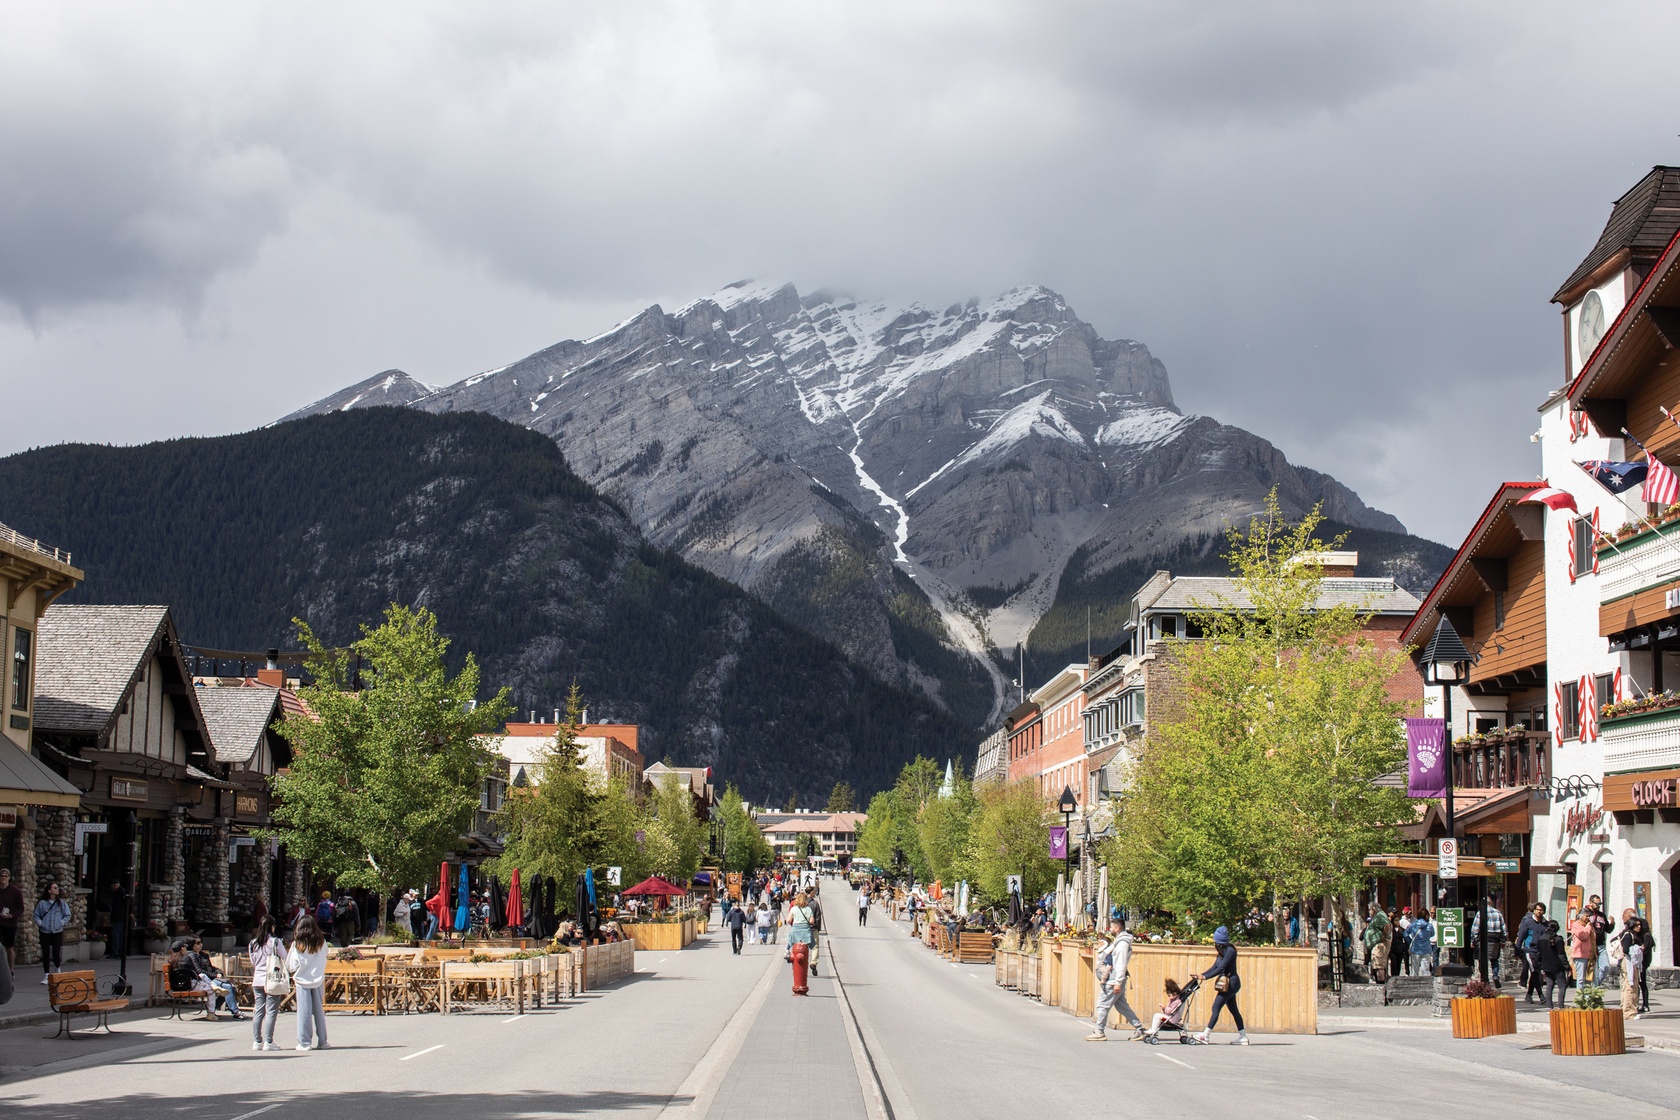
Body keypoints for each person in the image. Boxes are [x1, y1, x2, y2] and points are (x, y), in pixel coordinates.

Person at [1085, 919, 1145, 1042]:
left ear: (1117, 928)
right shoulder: (1118, 942)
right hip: (1115, 979)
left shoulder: (1122, 944)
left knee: (1102, 1004)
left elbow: (1121, 963)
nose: (1110, 929)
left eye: (1111, 927)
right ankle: (1140, 1029)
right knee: (1121, 1005)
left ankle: (1099, 1031)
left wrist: (1118, 982)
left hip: (1114, 980)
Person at [1191, 926, 1247, 1045]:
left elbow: (1221, 968)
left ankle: (1205, 1035)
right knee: (1234, 1010)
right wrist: (1201, 975)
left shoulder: (1230, 951)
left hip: (1231, 982)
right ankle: (1243, 1037)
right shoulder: (1222, 952)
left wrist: (1206, 977)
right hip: (1228, 983)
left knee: (1216, 1007)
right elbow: (1215, 967)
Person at [286, 914, 330, 1051]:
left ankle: (305, 1042)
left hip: (302, 980)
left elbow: (291, 965)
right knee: (319, 1012)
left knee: (304, 1013)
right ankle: (323, 1041)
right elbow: (324, 959)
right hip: (317, 979)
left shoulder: (297, 945)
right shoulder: (322, 943)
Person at [248, 915, 282, 1050]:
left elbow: (253, 961)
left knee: (258, 1010)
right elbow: (284, 956)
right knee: (271, 1011)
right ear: (272, 927)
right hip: (271, 979)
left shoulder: (253, 943)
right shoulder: (275, 942)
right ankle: (268, 1041)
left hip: (257, 979)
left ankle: (257, 1041)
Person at [188, 936, 242, 1018]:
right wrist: (215, 975)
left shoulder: (203, 955)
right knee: (228, 987)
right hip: (203, 980)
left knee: (232, 988)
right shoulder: (191, 955)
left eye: (201, 943)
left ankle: (214, 1007)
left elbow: (211, 967)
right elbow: (199, 971)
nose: (200, 945)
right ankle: (236, 1012)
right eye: (198, 943)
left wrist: (218, 971)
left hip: (211, 978)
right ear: (192, 944)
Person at [33, 880, 71, 984]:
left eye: (57, 888)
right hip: (45, 931)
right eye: (54, 888)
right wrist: (41, 923)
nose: (57, 889)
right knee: (45, 952)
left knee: (56, 952)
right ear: (49, 891)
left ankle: (58, 969)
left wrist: (61, 922)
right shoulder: (42, 903)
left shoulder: (61, 903)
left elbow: (67, 915)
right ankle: (46, 975)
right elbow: (36, 915)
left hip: (57, 930)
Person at [167, 941, 218, 1020]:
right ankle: (211, 1013)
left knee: (203, 976)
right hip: (189, 985)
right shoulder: (187, 958)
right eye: (185, 947)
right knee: (211, 990)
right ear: (182, 948)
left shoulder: (172, 960)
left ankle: (214, 985)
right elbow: (195, 972)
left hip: (178, 985)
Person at [1516, 903, 1547, 1003]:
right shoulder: (1527, 922)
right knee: (1534, 971)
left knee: (1536, 972)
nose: (1539, 912)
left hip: (1540, 951)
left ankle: (1529, 995)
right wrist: (1517, 951)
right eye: (1537, 910)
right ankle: (1541, 995)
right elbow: (1520, 937)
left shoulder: (1545, 924)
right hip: (1529, 950)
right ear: (1534, 910)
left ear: (1544, 912)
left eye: (1541, 910)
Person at [1470, 900, 1507, 985]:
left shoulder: (1480, 913)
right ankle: (1495, 975)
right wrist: (1503, 939)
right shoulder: (1498, 913)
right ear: (1492, 903)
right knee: (1494, 959)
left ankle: (1484, 978)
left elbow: (1475, 928)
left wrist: (1473, 940)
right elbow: (1503, 927)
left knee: (1481, 959)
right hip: (1495, 938)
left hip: (1483, 937)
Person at [1537, 919, 1570, 1009]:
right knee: (1562, 986)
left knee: (1549, 986)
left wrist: (1540, 965)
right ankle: (1560, 1006)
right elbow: (1561, 955)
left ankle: (1549, 1007)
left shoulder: (1542, 939)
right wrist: (1567, 966)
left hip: (1546, 966)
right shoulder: (1559, 940)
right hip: (1558, 966)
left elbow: (1539, 954)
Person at [785, 892, 816, 978]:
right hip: (805, 932)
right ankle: (805, 968)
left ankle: (787, 950)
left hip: (795, 931)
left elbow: (788, 920)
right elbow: (811, 921)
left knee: (792, 944)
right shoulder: (808, 909)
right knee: (808, 950)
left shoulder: (794, 909)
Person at [1586, 896, 1615, 982]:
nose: (1599, 906)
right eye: (1597, 904)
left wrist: (1612, 923)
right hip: (1590, 945)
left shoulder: (1601, 915)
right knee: (1592, 971)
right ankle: (1592, 989)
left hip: (1600, 945)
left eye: (1600, 904)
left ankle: (1596, 986)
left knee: (1606, 967)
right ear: (1591, 902)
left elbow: (1608, 930)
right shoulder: (1585, 913)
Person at [0, 868, 22, 972]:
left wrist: (12, 916)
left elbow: (20, 908)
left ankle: (11, 970)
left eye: (5, 876)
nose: (3, 878)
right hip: (0, 922)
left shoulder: (15, 891)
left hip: (10, 924)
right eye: (2, 876)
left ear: (9, 878)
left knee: (9, 948)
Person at [1362, 904, 1391, 984]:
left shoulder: (1380, 916)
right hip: (1375, 944)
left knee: (1379, 964)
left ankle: (1381, 983)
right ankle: (1378, 981)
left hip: (1380, 944)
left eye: (1369, 909)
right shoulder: (1377, 916)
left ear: (1373, 909)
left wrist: (1384, 937)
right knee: (1376, 964)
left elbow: (1387, 926)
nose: (1369, 911)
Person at [1568, 909, 1595, 986]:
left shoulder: (1589, 925)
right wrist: (1588, 927)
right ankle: (1580, 996)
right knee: (1581, 978)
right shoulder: (1577, 925)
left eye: (1589, 916)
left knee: (1590, 978)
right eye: (1586, 916)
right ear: (1581, 916)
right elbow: (1583, 936)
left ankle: (1588, 995)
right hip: (1580, 955)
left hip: (1590, 955)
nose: (1588, 918)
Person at [107, 878, 130, 960]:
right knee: (119, 934)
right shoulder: (120, 892)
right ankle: (119, 952)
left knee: (116, 934)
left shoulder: (121, 892)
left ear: (115, 885)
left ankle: (116, 952)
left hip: (120, 917)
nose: (111, 888)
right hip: (119, 917)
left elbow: (126, 905)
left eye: (112, 886)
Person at [1408, 908, 1435, 977]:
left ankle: (1414, 984)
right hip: (1426, 948)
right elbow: (1432, 934)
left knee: (1415, 969)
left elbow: (1406, 933)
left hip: (1415, 948)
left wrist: (1409, 941)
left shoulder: (1413, 925)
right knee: (1425, 969)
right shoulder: (1429, 926)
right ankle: (1426, 984)